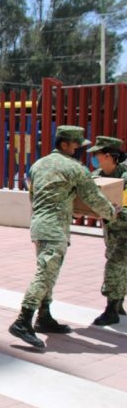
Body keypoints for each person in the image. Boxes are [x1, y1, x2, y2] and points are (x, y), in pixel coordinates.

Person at [8, 126, 116, 348]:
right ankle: (22, 321)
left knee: (49, 272)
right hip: (55, 228)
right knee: (44, 274)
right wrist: (112, 213)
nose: (80, 150)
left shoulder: (38, 165)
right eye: (77, 145)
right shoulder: (75, 168)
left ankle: (44, 316)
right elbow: (94, 198)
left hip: (40, 225)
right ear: (64, 144)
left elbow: (34, 195)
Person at [88, 136, 127, 325]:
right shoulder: (97, 175)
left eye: (97, 154)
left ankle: (111, 309)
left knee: (115, 266)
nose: (94, 158)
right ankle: (118, 303)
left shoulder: (125, 178)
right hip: (112, 231)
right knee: (120, 267)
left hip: (125, 231)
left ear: (110, 156)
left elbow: (125, 209)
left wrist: (110, 211)